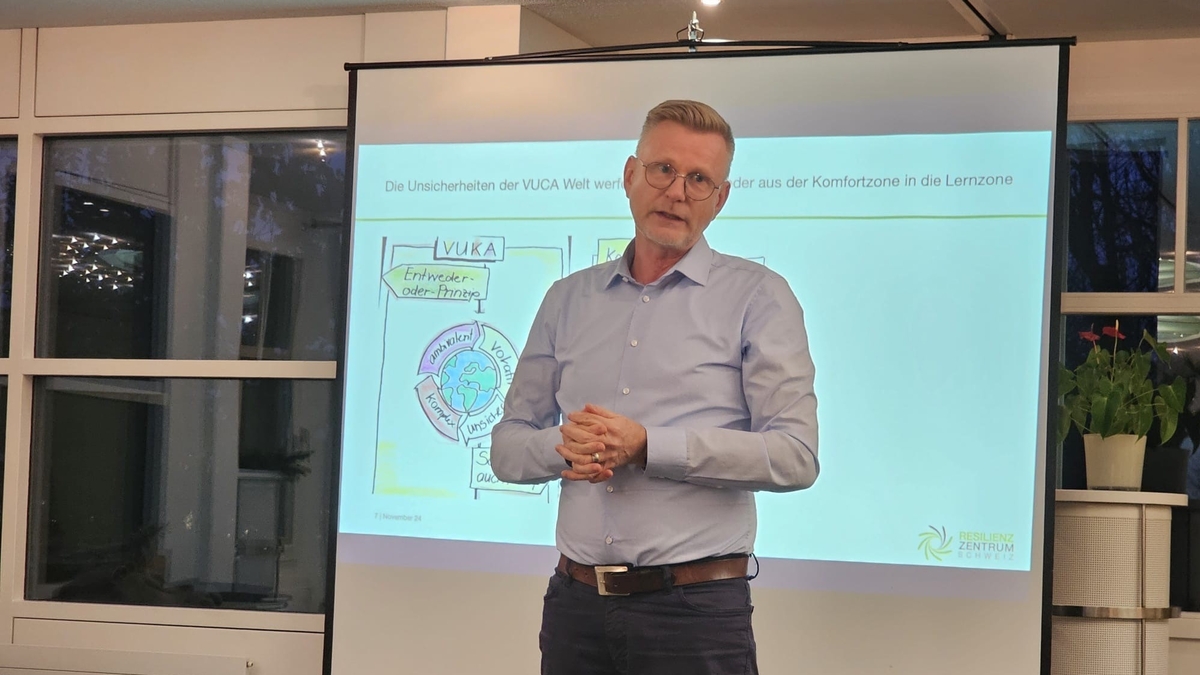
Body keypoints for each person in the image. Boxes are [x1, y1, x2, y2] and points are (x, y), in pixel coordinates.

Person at [491, 99, 819, 675]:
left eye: (699, 179)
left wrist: (648, 446)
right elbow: (507, 447)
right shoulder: (567, 299)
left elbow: (795, 456)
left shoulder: (760, 297)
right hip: (574, 606)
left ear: (720, 198)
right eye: (663, 169)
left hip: (694, 613)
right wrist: (565, 447)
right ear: (629, 175)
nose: (677, 192)